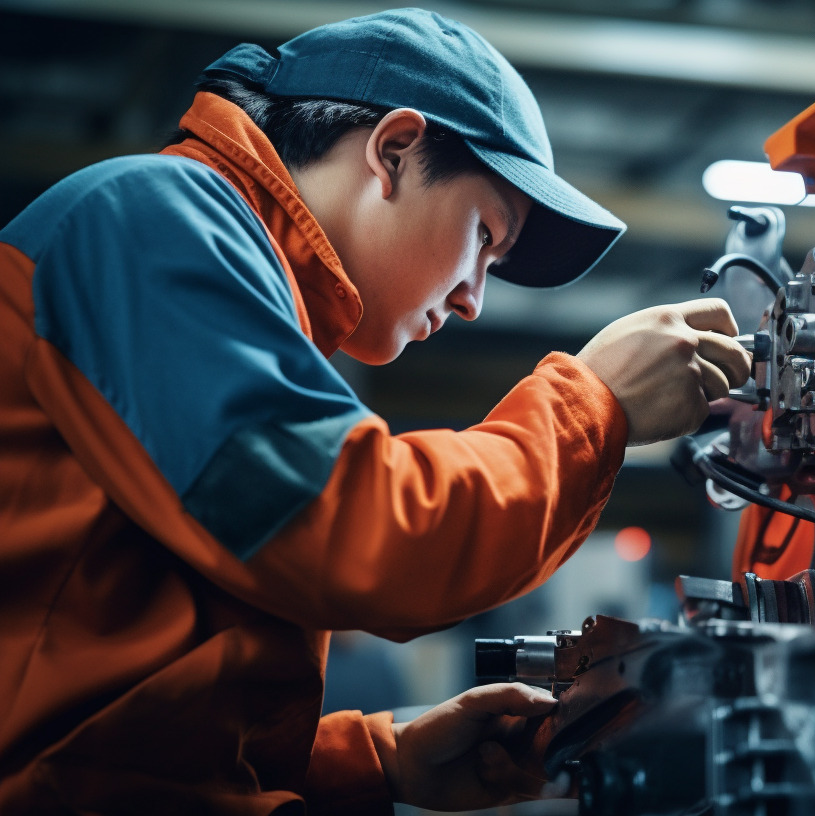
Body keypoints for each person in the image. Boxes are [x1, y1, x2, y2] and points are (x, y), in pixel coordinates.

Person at [0, 9, 750, 814]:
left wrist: (376, 764)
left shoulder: (220, 272)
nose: (471, 299)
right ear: (392, 152)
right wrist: (594, 407)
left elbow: (124, 724)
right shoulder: (148, 220)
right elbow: (350, 530)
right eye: (484, 237)